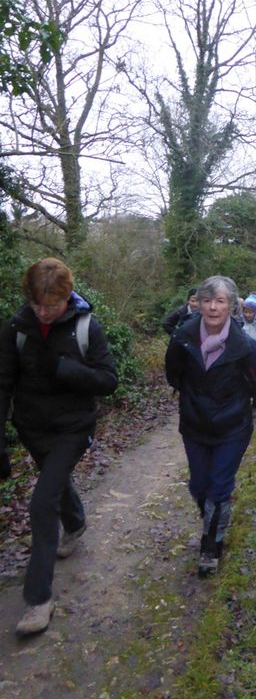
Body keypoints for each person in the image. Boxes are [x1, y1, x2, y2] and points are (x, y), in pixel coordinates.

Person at [0, 258, 118, 636]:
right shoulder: (17, 329)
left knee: (41, 501)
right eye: (38, 304)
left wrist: (63, 369)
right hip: (34, 428)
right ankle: (77, 522)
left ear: (67, 296)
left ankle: (38, 599)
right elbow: (3, 384)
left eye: (52, 305)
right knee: (54, 486)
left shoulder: (86, 327)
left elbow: (108, 380)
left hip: (73, 427)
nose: (44, 312)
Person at [165, 276, 256, 577]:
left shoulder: (247, 348)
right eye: (207, 300)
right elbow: (174, 375)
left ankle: (212, 544)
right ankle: (213, 517)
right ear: (197, 303)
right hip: (195, 425)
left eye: (220, 301)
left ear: (231, 307)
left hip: (233, 428)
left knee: (219, 486)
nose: (212, 307)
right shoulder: (182, 340)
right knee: (199, 485)